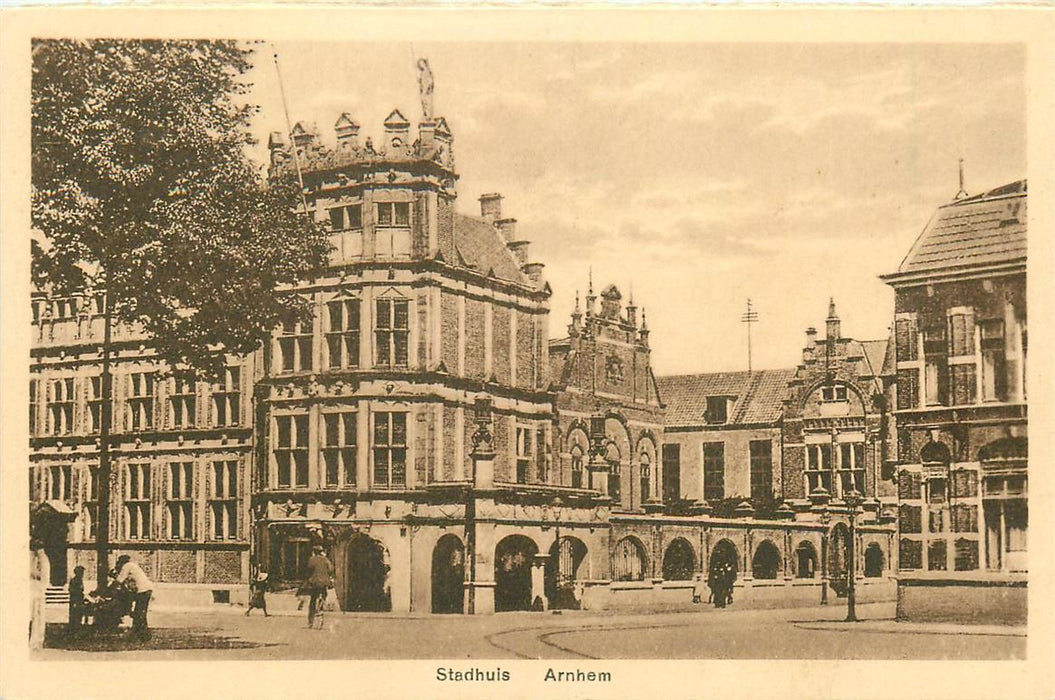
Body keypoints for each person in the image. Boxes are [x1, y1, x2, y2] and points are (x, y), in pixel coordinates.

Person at [114, 554, 154, 641]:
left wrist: (114, 578)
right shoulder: (133, 565)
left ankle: (142, 635)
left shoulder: (126, 566)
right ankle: (141, 634)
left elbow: (119, 580)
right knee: (140, 612)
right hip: (146, 589)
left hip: (142, 590)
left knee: (139, 613)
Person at [304, 545, 333, 629]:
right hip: (324, 582)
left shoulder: (312, 559)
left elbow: (308, 569)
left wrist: (308, 578)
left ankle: (310, 621)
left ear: (314, 552)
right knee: (324, 595)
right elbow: (330, 570)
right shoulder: (326, 559)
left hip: (315, 582)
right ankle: (321, 605)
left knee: (313, 600)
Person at [67, 565, 87, 633]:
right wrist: (75, 602)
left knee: (79, 615)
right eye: (81, 572)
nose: (82, 574)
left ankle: (77, 629)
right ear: (77, 573)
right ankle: (73, 630)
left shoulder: (80, 580)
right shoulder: (74, 580)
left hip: (79, 600)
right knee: (74, 615)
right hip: (75, 600)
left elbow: (81, 589)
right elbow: (71, 590)